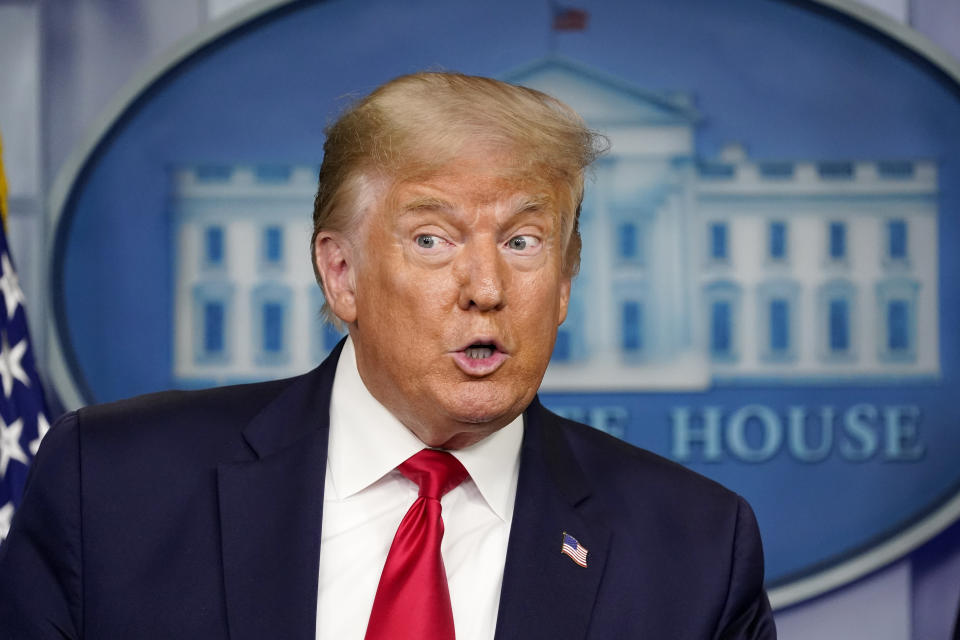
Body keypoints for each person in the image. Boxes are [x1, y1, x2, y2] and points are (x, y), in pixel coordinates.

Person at [0, 72, 776, 639]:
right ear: (341, 274)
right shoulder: (109, 486)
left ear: (566, 278)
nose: (485, 287)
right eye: (432, 239)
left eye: (523, 241)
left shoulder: (696, 550)